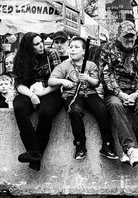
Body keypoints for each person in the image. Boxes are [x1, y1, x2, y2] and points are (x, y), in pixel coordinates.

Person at [49, 36, 112, 161]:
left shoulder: (91, 65)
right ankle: (80, 144)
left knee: (102, 109)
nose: (72, 50)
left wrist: (88, 78)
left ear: (84, 51)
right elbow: (51, 81)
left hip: (89, 93)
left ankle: (108, 144)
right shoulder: (64, 65)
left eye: (76, 47)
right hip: (72, 95)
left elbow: (96, 83)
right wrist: (62, 81)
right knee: (74, 111)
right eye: (71, 47)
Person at [101, 21, 138, 164]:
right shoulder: (108, 49)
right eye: (126, 36)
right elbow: (106, 74)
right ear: (118, 36)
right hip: (115, 92)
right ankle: (132, 148)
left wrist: (136, 93)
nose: (130, 40)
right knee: (114, 105)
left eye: (132, 36)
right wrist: (119, 93)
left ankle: (129, 150)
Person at [11, 34, 59, 169]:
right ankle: (33, 150)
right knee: (19, 107)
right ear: (28, 47)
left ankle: (36, 156)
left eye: (41, 42)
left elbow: (58, 78)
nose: (41, 45)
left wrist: (42, 93)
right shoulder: (20, 59)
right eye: (37, 44)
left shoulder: (51, 55)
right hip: (29, 91)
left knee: (45, 113)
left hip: (50, 90)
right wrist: (31, 95)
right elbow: (19, 84)